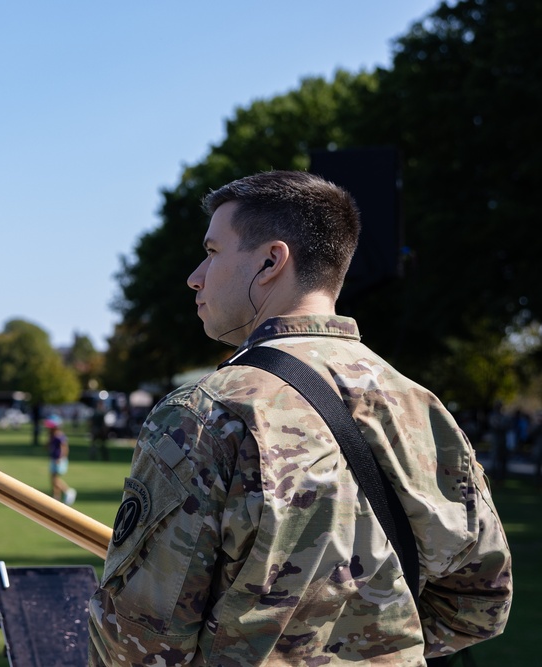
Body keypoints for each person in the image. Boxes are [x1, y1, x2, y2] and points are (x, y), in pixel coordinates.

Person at [88, 170, 512, 665]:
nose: (195, 276)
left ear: (271, 261)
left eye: (212, 251)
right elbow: (480, 602)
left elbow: (139, 643)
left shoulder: (206, 413)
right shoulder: (421, 405)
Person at [46, 416, 76, 505]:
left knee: (55, 479)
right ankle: (56, 498)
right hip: (53, 459)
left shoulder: (60, 435)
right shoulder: (52, 435)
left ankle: (68, 491)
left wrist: (61, 458)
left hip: (58, 460)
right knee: (53, 480)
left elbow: (64, 447)